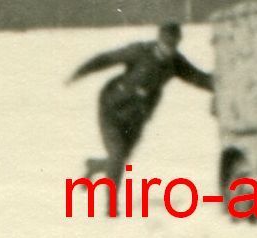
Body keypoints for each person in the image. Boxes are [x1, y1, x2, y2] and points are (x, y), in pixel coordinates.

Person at [66, 22, 213, 196]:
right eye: (166, 45)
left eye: (173, 46)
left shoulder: (175, 63)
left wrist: (226, 82)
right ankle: (111, 208)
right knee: (118, 155)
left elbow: (198, 78)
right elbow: (106, 59)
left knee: (120, 159)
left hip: (137, 117)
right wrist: (80, 72)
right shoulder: (139, 52)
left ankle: (94, 165)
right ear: (159, 41)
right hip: (112, 108)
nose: (169, 51)